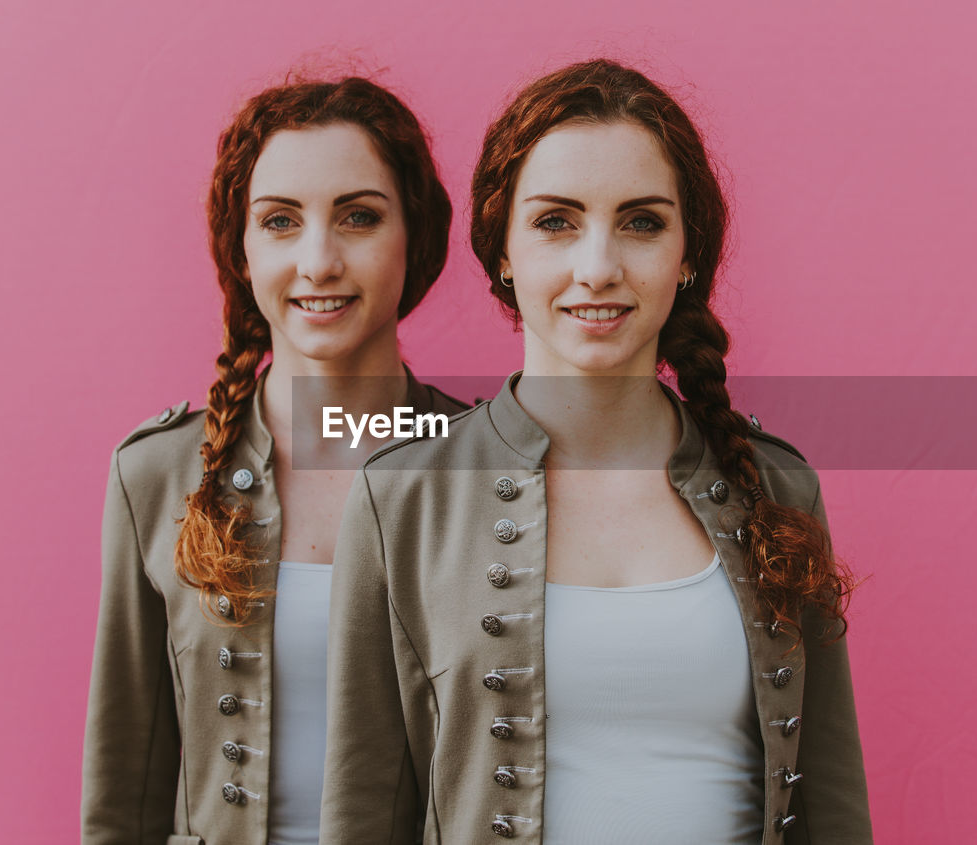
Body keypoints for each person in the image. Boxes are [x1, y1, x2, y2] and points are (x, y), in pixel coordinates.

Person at [321, 59, 872, 844]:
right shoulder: (400, 498)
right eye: (556, 221)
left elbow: (834, 812)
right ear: (502, 251)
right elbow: (363, 813)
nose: (599, 267)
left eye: (642, 221)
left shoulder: (780, 488)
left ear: (688, 255)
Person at [81, 76, 467, 845]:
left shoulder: (488, 469)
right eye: (281, 221)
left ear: (415, 236)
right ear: (242, 248)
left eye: (359, 217)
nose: (319, 260)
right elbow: (124, 795)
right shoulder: (156, 476)